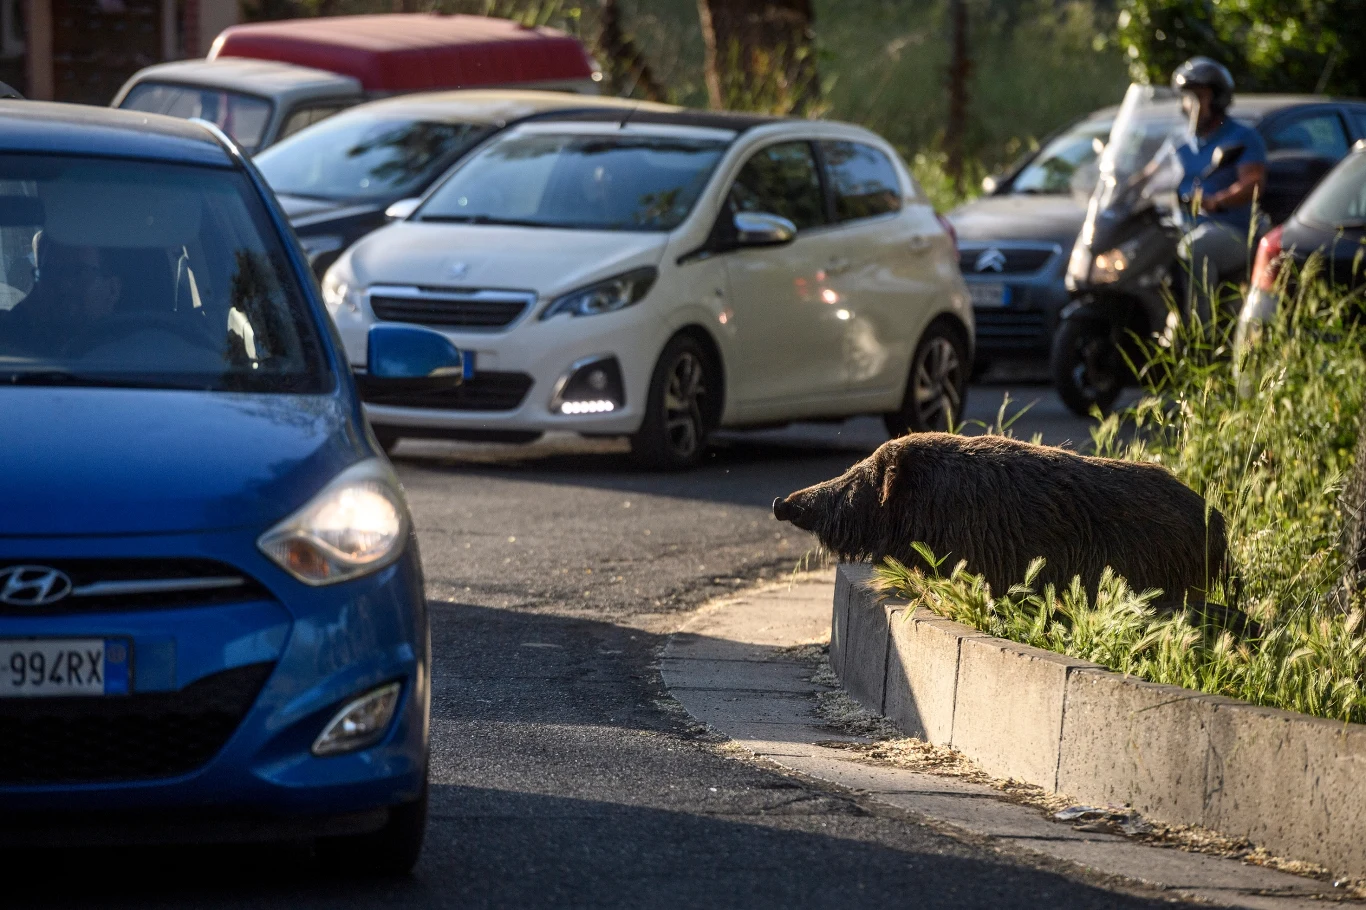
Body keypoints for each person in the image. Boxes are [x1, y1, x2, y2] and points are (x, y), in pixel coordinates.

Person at [1168, 57, 1268, 323]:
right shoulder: (1179, 142)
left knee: (1196, 248)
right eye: (1187, 98)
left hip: (1231, 231)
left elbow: (1253, 182)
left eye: (1198, 97)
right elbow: (1152, 174)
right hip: (1183, 224)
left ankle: (1201, 335)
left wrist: (1216, 200)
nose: (1190, 105)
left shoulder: (1242, 137)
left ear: (1217, 99)